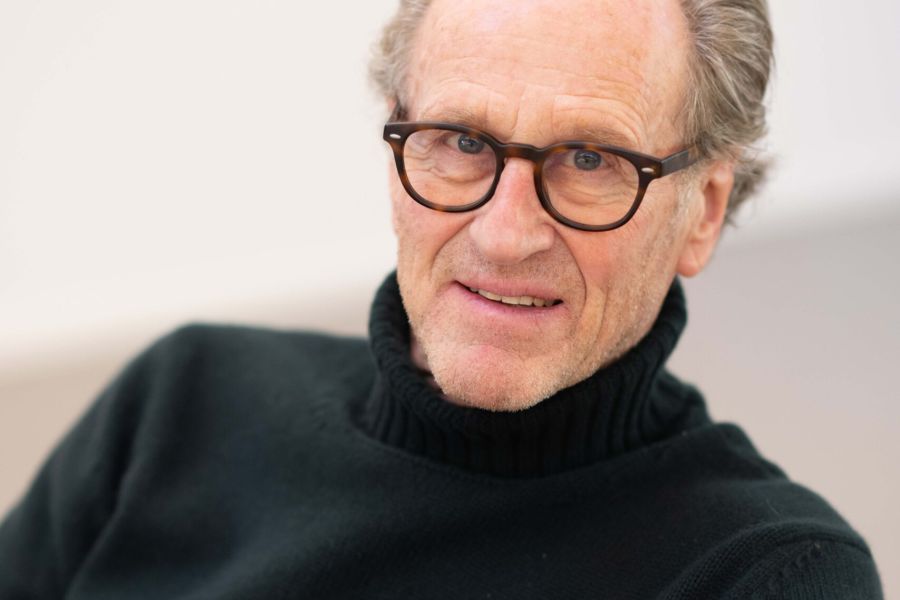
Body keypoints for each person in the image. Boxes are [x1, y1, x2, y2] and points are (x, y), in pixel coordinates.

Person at [0, 0, 884, 597]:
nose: (505, 235)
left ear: (705, 210)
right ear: (396, 149)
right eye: (461, 140)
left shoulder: (768, 574)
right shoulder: (182, 402)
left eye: (590, 161)